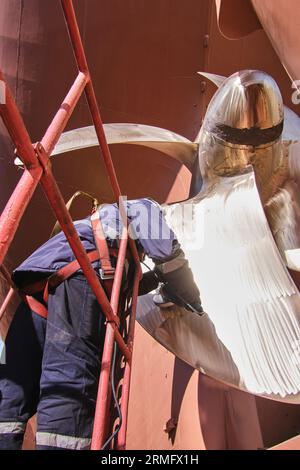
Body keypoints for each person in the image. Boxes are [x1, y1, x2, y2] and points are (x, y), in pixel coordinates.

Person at [0, 197, 202, 450]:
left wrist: (156, 279)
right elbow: (164, 251)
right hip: (80, 272)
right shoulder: (143, 206)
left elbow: (119, 283)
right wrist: (190, 291)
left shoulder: (101, 227)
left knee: (12, 385)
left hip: (38, 283)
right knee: (70, 377)